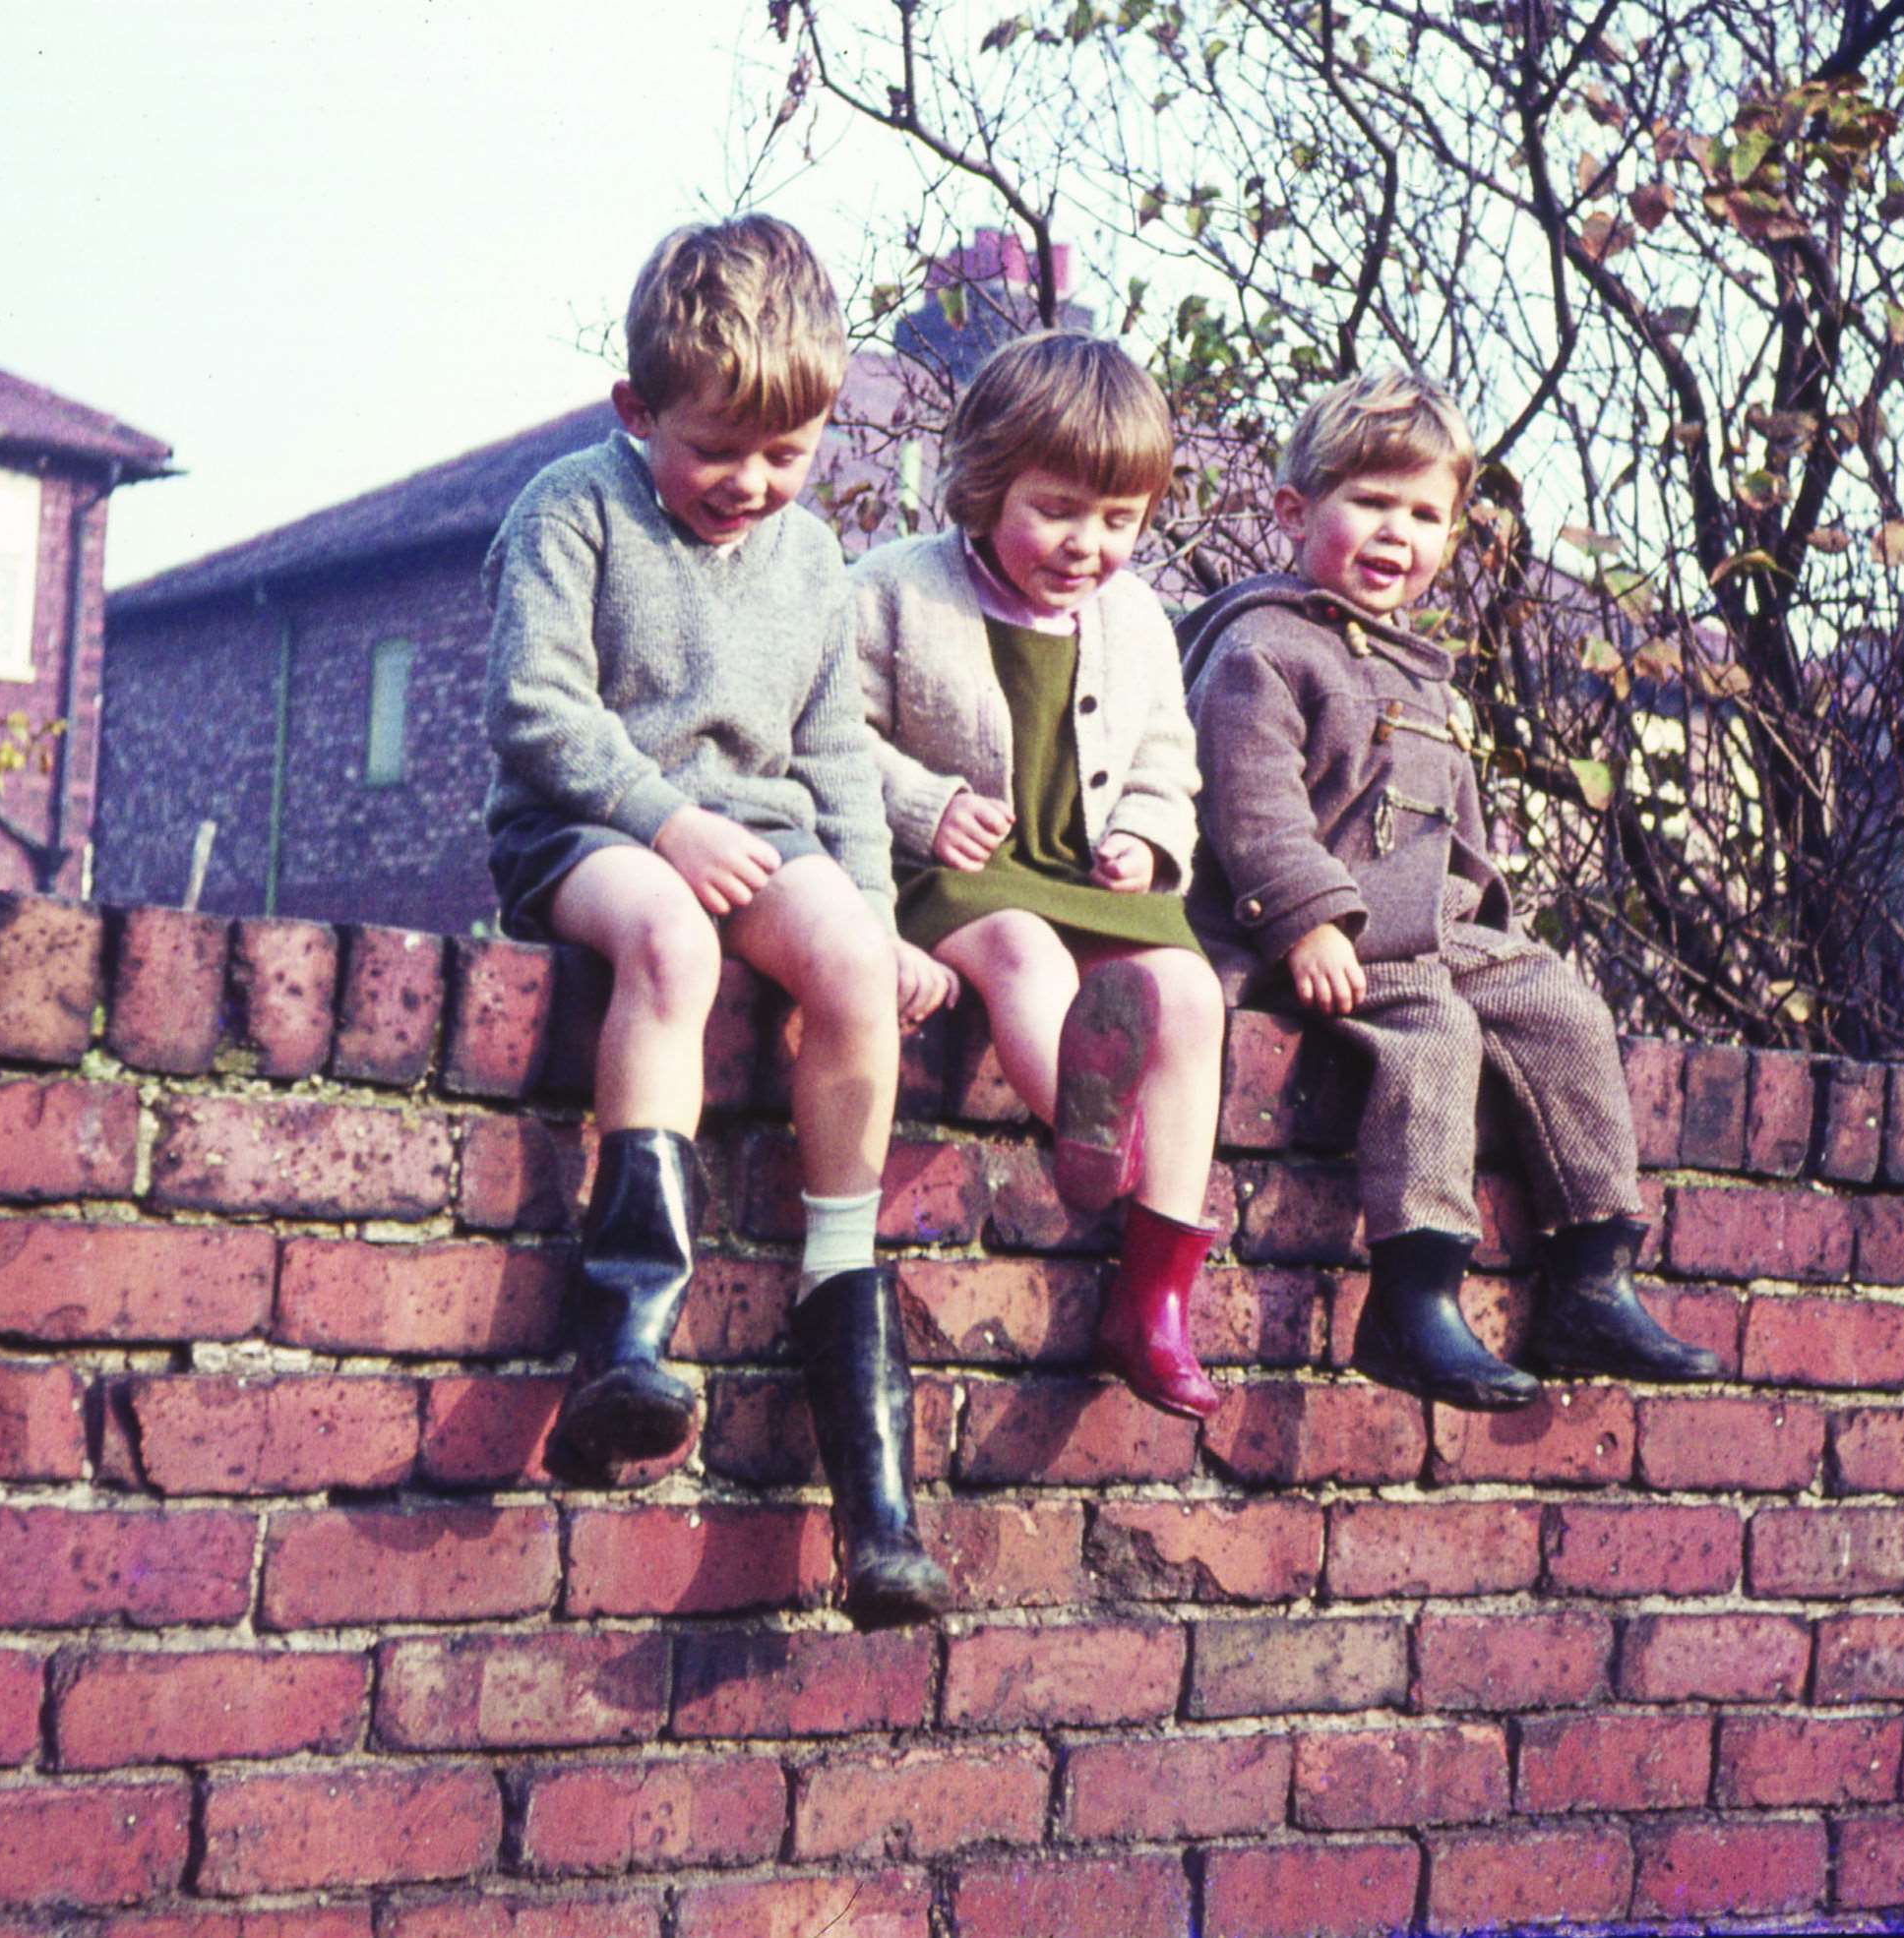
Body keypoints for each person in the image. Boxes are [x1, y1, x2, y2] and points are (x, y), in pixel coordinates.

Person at [482, 213, 952, 1624]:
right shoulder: (570, 509)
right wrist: (658, 816)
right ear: (638, 411)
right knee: (674, 939)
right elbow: (535, 710)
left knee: (852, 970)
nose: (751, 483)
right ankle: (628, 1325)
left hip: (758, 832)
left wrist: (870, 915)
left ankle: (834, 1276)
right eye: (716, 450)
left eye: (787, 455)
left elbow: (838, 764)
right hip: (590, 830)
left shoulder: (812, 564)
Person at [1179, 367, 1724, 1409]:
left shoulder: (1422, 670)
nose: (1398, 533)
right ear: (1296, 512)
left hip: (1421, 929)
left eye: (1425, 514)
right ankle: (1415, 1292)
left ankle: (1591, 1270)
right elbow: (1252, 805)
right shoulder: (1263, 648)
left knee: (1559, 1003)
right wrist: (1306, 921)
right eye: (1371, 502)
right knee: (1436, 1032)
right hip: (1308, 936)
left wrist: (1491, 924)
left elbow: (1452, 824)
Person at [852, 329, 1230, 1422]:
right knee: (1020, 952)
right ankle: (1093, 1139)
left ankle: (1154, 1299)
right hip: (958, 876)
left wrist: (1151, 842)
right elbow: (826, 735)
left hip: (1090, 873)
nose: (1087, 544)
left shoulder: (1138, 620)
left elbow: (1169, 756)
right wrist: (924, 803)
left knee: (1193, 992)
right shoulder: (894, 590)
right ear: (983, 481)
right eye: (1057, 510)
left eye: (1120, 521)